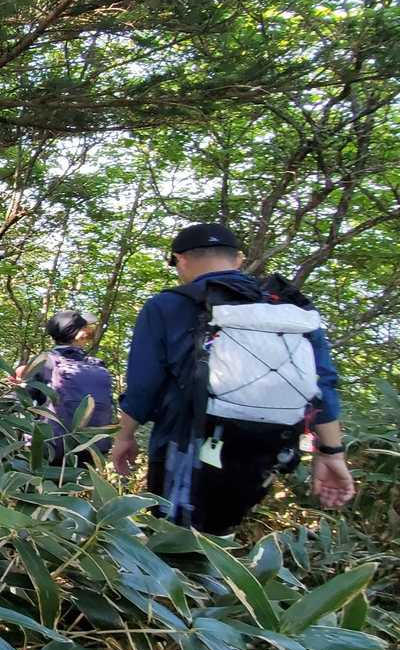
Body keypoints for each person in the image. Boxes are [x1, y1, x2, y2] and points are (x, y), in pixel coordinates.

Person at [111, 222, 355, 533]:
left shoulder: (168, 305)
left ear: (180, 260)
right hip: (264, 451)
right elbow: (323, 385)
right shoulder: (288, 307)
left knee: (172, 537)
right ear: (238, 259)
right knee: (220, 535)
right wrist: (332, 453)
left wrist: (125, 436)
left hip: (184, 446)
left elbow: (144, 386)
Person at [16, 309, 115, 467]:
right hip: (92, 447)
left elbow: (22, 400)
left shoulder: (45, 361)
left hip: (51, 446)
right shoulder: (97, 364)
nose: (89, 330)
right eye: (85, 327)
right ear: (79, 334)